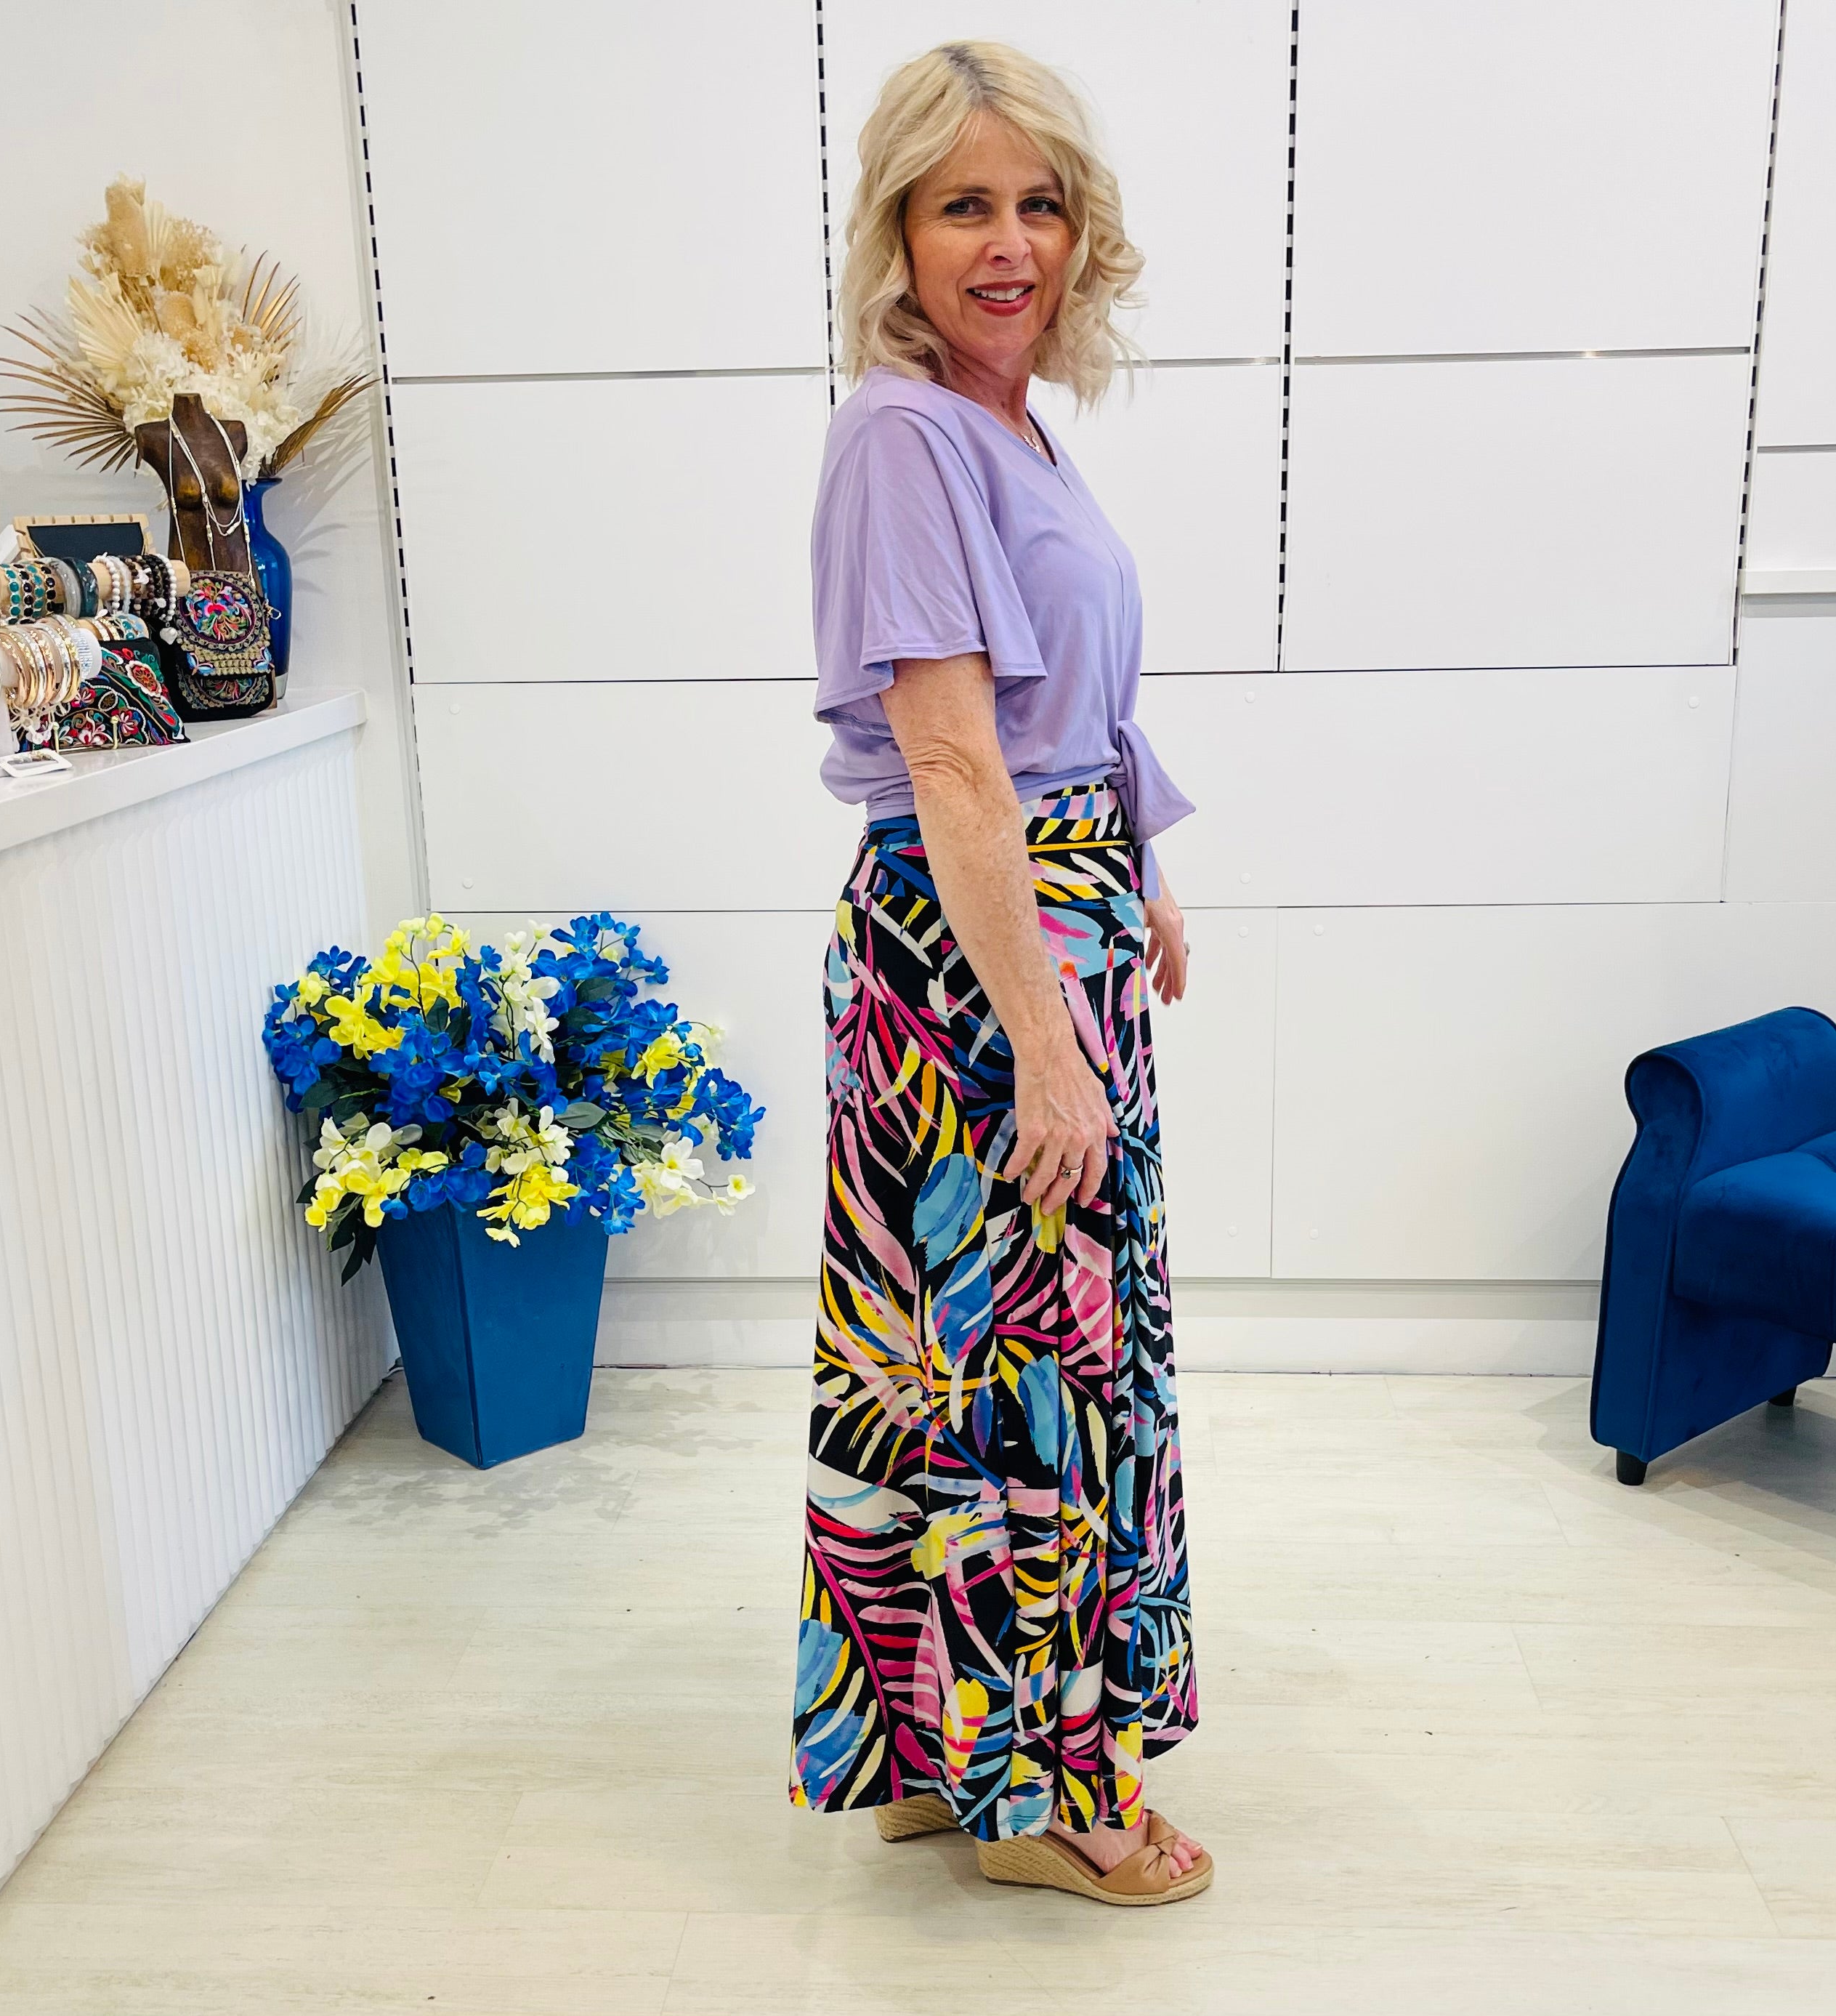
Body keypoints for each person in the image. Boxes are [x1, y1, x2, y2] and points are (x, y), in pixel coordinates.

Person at [788, 40, 1208, 1908]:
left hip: (1039, 913)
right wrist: (1046, 1036)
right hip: (980, 955)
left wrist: (1144, 857)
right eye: (964, 203)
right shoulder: (904, 429)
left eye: (1038, 201)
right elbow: (953, 755)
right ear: (897, 228)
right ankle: (1043, 1796)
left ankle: (929, 1755)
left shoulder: (1012, 426)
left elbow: (1062, 700)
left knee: (949, 1356)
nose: (1008, 240)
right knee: (1034, 1356)